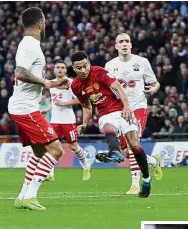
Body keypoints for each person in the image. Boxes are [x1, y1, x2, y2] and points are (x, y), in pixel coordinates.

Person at [70, 51, 152, 198]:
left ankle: (146, 179)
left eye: (85, 66)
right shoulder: (76, 86)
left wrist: (127, 107)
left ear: (88, 62)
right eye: (79, 68)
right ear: (74, 68)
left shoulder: (99, 72)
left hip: (122, 109)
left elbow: (119, 88)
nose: (83, 70)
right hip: (105, 114)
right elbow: (87, 106)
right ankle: (114, 151)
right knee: (108, 124)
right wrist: (84, 124)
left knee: (134, 146)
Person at [10, 7, 68, 210]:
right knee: (56, 150)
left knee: (39, 152)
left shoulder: (29, 45)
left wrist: (50, 82)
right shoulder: (30, 46)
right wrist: (48, 83)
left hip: (22, 106)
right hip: (25, 108)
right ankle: (31, 196)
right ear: (41, 24)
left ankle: (22, 197)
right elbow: (19, 73)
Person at [105, 33, 162, 195]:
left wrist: (153, 89)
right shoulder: (109, 65)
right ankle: (152, 161)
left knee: (132, 144)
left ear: (131, 45)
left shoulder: (142, 62)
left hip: (138, 107)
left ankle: (135, 184)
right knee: (124, 152)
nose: (124, 44)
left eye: (127, 41)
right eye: (121, 42)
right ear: (116, 46)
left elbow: (155, 83)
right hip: (119, 109)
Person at [44, 60, 91, 181]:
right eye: (57, 67)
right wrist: (47, 109)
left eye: (62, 67)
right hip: (55, 121)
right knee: (52, 146)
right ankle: (50, 173)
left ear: (66, 70)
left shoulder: (71, 83)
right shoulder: (51, 84)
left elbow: (79, 100)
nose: (60, 69)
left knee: (73, 146)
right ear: (54, 70)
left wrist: (64, 103)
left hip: (68, 120)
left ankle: (86, 166)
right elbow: (54, 100)